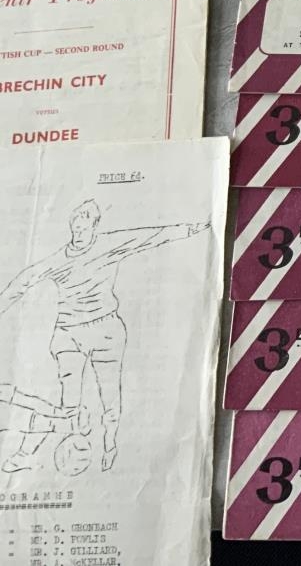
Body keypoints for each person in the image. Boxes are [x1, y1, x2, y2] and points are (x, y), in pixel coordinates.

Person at [0, 202, 207, 474]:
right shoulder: (58, 260)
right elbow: (23, 281)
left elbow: (149, 236)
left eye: (84, 229)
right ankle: (36, 452)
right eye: (75, 229)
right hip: (69, 332)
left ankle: (110, 444)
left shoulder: (109, 245)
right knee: (68, 401)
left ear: (94, 227)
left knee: (109, 397)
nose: (78, 235)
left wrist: (191, 228)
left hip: (106, 330)